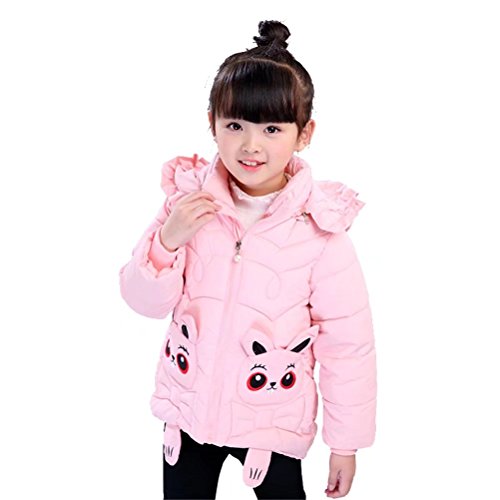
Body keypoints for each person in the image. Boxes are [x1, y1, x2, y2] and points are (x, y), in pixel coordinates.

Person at [119, 20, 377, 500]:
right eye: (235, 125)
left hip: (271, 421)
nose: (251, 145)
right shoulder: (187, 204)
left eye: (272, 129)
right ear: (212, 123)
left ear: (304, 134)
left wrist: (345, 444)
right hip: (188, 413)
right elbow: (143, 302)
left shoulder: (321, 230)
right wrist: (168, 241)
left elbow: (349, 346)